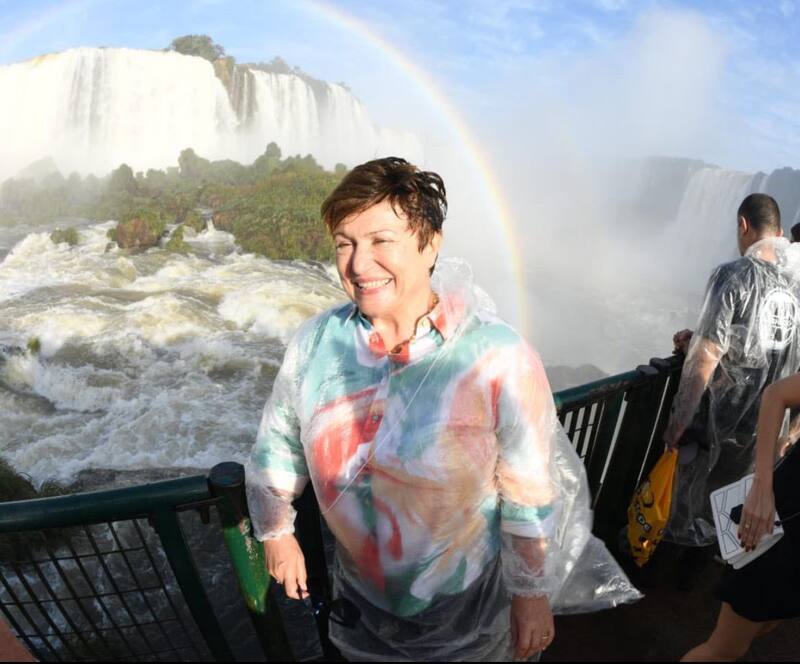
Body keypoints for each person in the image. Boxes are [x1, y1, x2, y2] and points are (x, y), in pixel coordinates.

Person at [245, 157, 638, 661]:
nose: (359, 264)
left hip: (467, 614)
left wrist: (531, 596)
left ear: (430, 243)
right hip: (361, 606)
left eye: (381, 240)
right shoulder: (316, 343)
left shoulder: (495, 357)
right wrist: (278, 532)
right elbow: (280, 443)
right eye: (345, 243)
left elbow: (527, 490)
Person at [662, 194, 800, 555]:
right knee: (727, 511)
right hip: (761, 431)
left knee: (687, 506)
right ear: (780, 233)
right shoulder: (795, 292)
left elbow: (706, 357)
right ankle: (710, 565)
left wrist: (679, 421)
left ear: (743, 225)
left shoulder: (731, 275)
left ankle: (668, 572)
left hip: (715, 423)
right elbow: (773, 353)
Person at [681, 373, 800, 661]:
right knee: (725, 649)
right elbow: (776, 394)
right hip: (781, 523)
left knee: (765, 624)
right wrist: (762, 483)